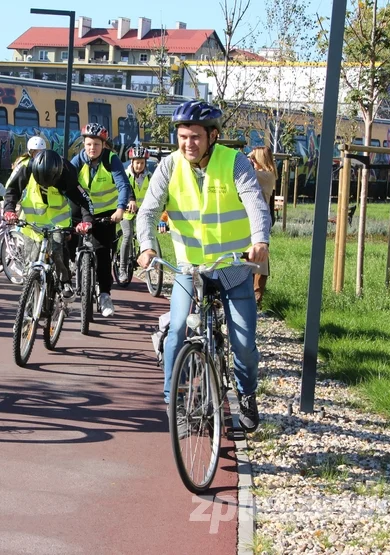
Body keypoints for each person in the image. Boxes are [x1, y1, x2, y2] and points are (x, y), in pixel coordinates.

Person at [135, 101, 271, 432]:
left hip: (234, 269)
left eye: (195, 137)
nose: (188, 144)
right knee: (177, 328)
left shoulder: (234, 162)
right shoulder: (168, 167)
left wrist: (260, 241)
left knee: (243, 343)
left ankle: (247, 394)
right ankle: (174, 402)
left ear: (213, 136)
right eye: (182, 137)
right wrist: (148, 246)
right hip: (189, 269)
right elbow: (148, 212)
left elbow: (255, 202)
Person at [2, 149, 94, 299]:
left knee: (57, 252)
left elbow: (84, 200)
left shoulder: (67, 173)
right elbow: (12, 190)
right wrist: (9, 210)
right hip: (33, 223)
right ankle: (30, 300)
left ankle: (65, 281)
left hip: (58, 222)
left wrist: (87, 222)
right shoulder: (26, 167)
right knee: (30, 265)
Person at [70, 123, 132, 317]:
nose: (92, 148)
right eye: (88, 144)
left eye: (96, 144)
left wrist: (121, 208)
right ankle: (69, 272)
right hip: (80, 210)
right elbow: (65, 183)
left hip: (106, 213)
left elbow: (123, 185)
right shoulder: (77, 161)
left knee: (104, 255)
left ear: (103, 145)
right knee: (66, 239)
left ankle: (105, 295)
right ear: (84, 144)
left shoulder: (111, 160)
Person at [247, 146, 277, 309]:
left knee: (260, 261)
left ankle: (257, 295)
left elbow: (246, 174)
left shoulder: (265, 175)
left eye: (253, 156)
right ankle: (253, 294)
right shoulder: (265, 174)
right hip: (255, 218)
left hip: (260, 219)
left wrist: (247, 159)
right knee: (254, 257)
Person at [119, 145, 151, 278]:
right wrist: (129, 201)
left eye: (142, 163)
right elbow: (125, 189)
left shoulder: (149, 176)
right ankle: (122, 268)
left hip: (142, 212)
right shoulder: (125, 175)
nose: (139, 166)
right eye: (137, 162)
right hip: (126, 211)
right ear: (132, 162)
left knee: (146, 236)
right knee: (127, 235)